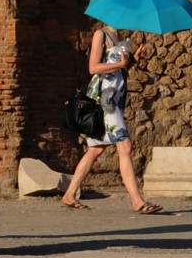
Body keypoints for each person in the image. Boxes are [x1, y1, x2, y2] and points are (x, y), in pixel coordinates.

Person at [61, 21, 164, 214]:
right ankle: (137, 201)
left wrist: (133, 60)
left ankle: (69, 194)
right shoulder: (101, 35)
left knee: (96, 149)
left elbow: (118, 71)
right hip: (104, 99)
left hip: (115, 97)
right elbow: (93, 68)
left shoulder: (121, 38)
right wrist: (121, 63)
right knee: (125, 145)